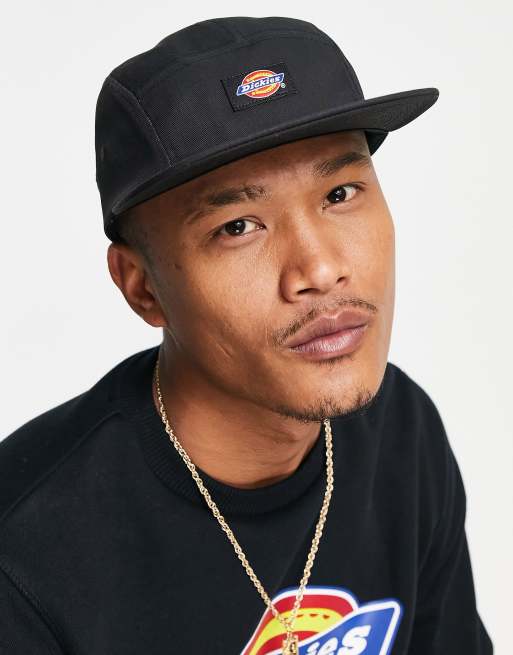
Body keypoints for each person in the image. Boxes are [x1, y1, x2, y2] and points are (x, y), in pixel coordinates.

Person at [0, 15, 493, 655]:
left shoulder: (401, 432)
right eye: (238, 227)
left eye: (340, 192)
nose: (319, 269)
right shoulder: (27, 554)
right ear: (142, 287)